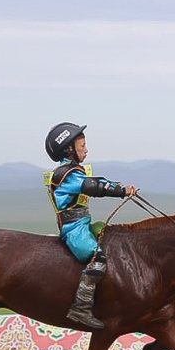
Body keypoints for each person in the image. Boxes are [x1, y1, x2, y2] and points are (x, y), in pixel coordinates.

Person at [44, 122, 136, 329]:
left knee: (111, 234)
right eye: (82, 145)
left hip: (84, 223)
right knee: (97, 257)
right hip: (74, 228)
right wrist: (121, 190)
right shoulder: (66, 175)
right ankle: (82, 306)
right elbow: (92, 186)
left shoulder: (74, 170)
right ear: (69, 149)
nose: (86, 149)